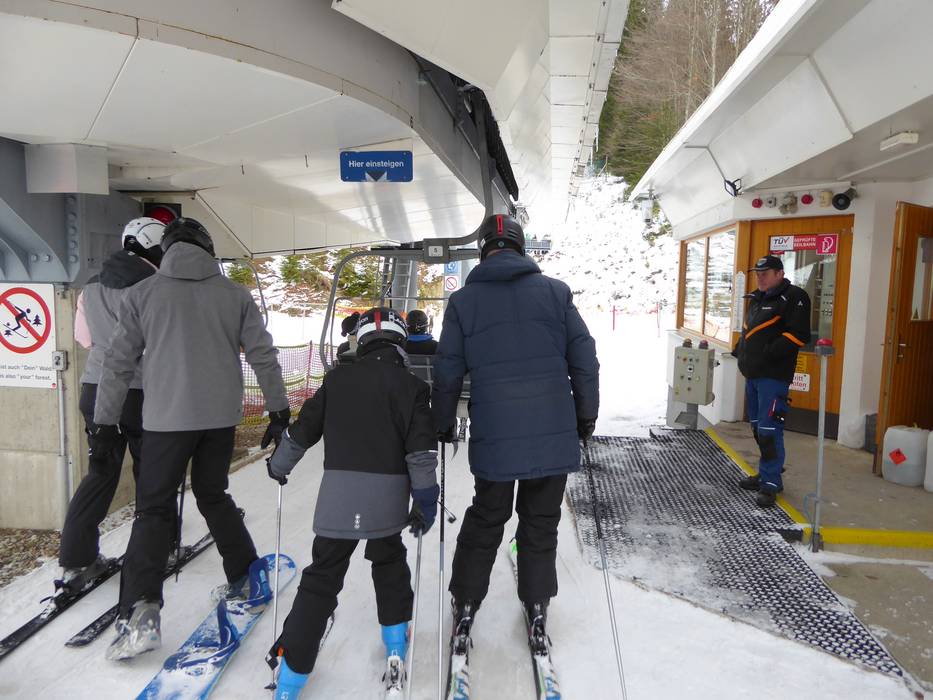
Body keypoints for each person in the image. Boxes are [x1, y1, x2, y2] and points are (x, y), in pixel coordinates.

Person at [94, 217, 290, 660]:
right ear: (208, 250)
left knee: (153, 509)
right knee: (213, 494)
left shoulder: (142, 294)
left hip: (166, 422)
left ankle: (141, 613)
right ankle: (245, 576)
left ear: (165, 250)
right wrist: (278, 410)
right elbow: (263, 354)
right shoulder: (234, 294)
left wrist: (104, 423)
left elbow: (118, 363)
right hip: (218, 420)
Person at [431, 214, 599, 657]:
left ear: (483, 250)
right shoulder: (556, 293)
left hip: (496, 435)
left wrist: (442, 422)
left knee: (488, 517)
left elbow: (447, 370)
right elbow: (585, 360)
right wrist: (585, 417)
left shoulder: (464, 302)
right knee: (540, 521)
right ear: (522, 248)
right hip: (553, 431)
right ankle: (537, 605)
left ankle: (466, 602)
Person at [265, 306, 437, 698]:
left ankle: (290, 676)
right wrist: (425, 501)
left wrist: (279, 466)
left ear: (362, 342)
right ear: (400, 341)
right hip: (386, 502)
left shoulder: (336, 380)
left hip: (338, 499)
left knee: (322, 576)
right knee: (389, 560)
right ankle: (396, 640)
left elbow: (302, 432)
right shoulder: (412, 387)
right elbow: (421, 454)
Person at [58, 218, 166, 592]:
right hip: (140, 391)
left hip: (95, 389)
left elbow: (85, 339)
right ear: (155, 248)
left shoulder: (91, 287)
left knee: (100, 472)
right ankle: (158, 548)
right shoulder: (157, 286)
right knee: (152, 472)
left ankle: (77, 559)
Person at [732, 254, 812, 507]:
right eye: (758, 274)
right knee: (758, 428)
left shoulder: (794, 297)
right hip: (753, 374)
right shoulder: (758, 298)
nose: (760, 278)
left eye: (765, 274)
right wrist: (740, 351)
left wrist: (767, 353)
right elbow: (750, 332)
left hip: (773, 377)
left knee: (769, 430)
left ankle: (770, 483)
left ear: (780, 274)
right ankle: (767, 473)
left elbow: (799, 334)